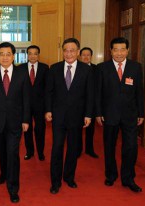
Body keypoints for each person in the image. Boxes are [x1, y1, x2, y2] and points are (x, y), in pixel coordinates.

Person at [0, 42, 31, 203]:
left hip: (15, 123)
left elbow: (26, 100)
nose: (4, 57)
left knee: (12, 153)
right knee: (2, 152)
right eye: (1, 54)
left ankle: (13, 188)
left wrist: (25, 119)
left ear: (13, 56)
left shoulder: (22, 74)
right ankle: (3, 174)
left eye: (8, 54)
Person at [95, 37, 144, 193]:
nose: (119, 53)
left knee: (130, 147)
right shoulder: (102, 67)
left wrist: (141, 112)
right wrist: (98, 112)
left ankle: (128, 178)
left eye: (122, 49)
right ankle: (110, 175)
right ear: (110, 51)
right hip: (109, 114)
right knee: (109, 147)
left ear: (127, 50)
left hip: (130, 115)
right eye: (115, 49)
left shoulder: (136, 67)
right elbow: (98, 93)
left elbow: (139, 92)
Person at [45, 38, 94, 194]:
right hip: (58, 116)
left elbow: (89, 95)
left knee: (73, 149)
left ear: (78, 52)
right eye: (66, 50)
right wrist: (48, 110)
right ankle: (55, 181)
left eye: (72, 50)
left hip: (77, 117)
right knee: (57, 148)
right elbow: (49, 92)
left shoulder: (86, 70)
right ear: (62, 51)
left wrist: (88, 114)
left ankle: (69, 177)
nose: (69, 53)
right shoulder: (54, 68)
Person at [19, 45, 49, 161]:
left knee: (40, 129)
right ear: (27, 55)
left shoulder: (45, 68)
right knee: (27, 129)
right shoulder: (20, 68)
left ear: (38, 55)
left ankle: (40, 152)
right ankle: (29, 151)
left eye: (35, 53)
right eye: (30, 53)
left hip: (40, 105)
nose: (32, 56)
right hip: (24, 105)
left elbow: (47, 89)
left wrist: (47, 107)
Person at [77, 47, 99, 158]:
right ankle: (78, 149)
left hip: (92, 104)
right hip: (78, 105)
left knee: (90, 129)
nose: (86, 57)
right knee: (77, 128)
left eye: (88, 55)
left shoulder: (97, 69)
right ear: (80, 56)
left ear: (91, 56)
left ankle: (90, 149)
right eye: (83, 55)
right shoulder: (76, 68)